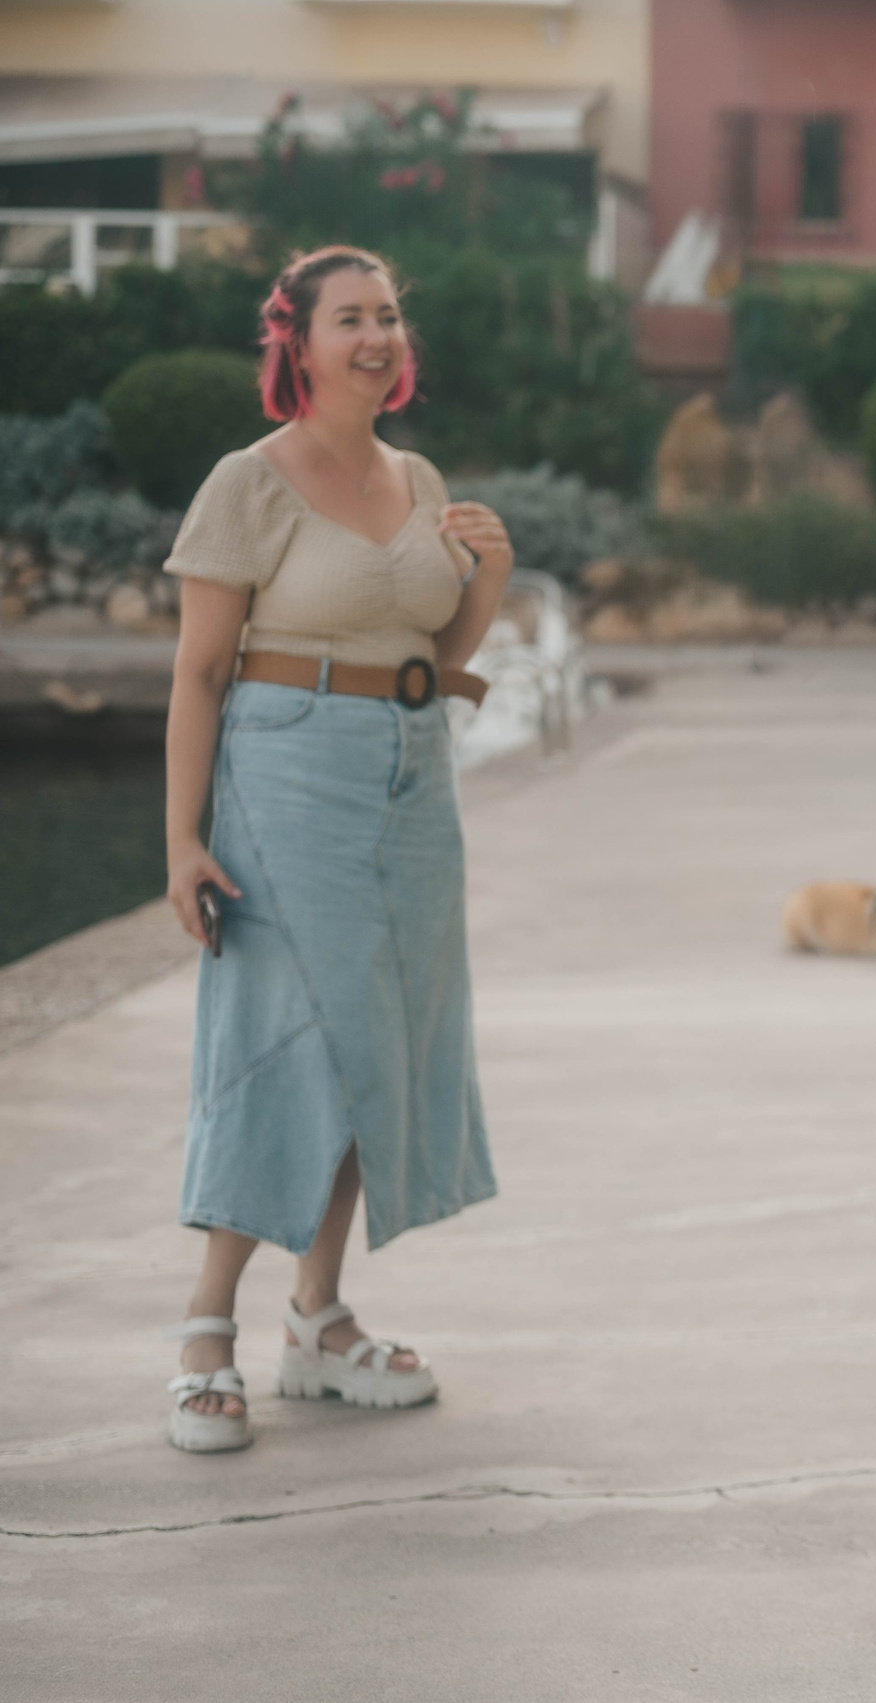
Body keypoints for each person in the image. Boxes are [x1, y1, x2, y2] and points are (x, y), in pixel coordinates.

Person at [159, 245, 515, 1454]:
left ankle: (317, 1317)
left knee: (380, 1039)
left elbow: (436, 650)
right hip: (286, 761)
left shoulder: (417, 476)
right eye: (351, 318)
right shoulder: (247, 481)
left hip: (412, 772)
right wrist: (182, 842)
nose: (378, 336)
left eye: (391, 318)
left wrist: (492, 579)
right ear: (298, 344)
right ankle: (207, 1325)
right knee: (283, 1041)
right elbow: (201, 672)